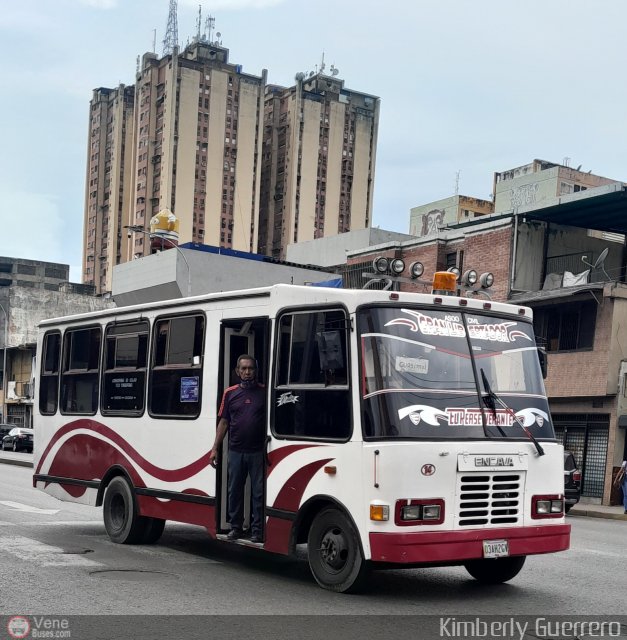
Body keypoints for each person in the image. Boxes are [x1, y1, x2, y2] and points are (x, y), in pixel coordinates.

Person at [209, 355, 266, 543]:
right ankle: (236, 527)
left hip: (258, 451)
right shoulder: (230, 393)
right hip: (235, 451)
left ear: (255, 371)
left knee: (258, 492)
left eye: (251, 368)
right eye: (244, 369)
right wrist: (215, 448)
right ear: (237, 371)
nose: (247, 372)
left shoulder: (264, 392)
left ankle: (257, 530)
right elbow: (223, 422)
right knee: (235, 490)